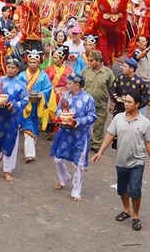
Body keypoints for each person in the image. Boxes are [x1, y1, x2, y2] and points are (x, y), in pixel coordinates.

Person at [92, 90, 150, 232]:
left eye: (129, 102)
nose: (126, 104)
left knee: (135, 189)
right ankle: (127, 210)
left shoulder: (145, 123)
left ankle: (135, 216)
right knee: (122, 189)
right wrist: (100, 151)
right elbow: (110, 135)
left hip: (137, 161)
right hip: (120, 160)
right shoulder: (118, 118)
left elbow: (149, 143)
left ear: (137, 104)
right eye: (125, 102)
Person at [50, 73, 97, 202]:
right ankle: (64, 177)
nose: (67, 85)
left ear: (77, 85)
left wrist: (78, 121)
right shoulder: (65, 96)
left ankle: (76, 190)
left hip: (80, 136)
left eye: (69, 83)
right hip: (65, 134)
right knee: (58, 159)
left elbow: (93, 116)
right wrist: (62, 116)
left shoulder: (88, 99)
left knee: (79, 164)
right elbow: (58, 110)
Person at [0, 58, 28, 182]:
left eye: (13, 68)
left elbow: (25, 100)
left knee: (11, 142)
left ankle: (7, 170)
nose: (10, 70)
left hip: (12, 118)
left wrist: (14, 105)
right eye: (8, 67)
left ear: (17, 69)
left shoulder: (21, 84)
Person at [18, 50, 53, 163]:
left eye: (35, 62)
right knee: (27, 126)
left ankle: (30, 146)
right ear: (27, 62)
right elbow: (18, 88)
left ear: (38, 63)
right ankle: (30, 154)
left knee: (35, 125)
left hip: (38, 104)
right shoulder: (22, 75)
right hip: (26, 105)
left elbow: (48, 89)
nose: (32, 64)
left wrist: (41, 94)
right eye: (30, 62)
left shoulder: (43, 75)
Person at [81, 50, 115, 152]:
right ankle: (82, 142)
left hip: (101, 104)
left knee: (99, 125)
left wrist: (112, 104)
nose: (89, 62)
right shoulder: (85, 71)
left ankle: (96, 144)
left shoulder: (108, 73)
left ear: (98, 61)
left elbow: (112, 89)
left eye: (92, 60)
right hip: (86, 104)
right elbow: (79, 85)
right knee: (83, 123)